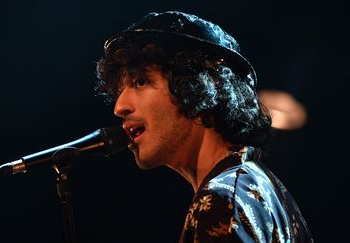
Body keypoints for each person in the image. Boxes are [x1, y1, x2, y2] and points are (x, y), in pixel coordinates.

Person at [95, 11, 313, 242]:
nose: (119, 107)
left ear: (196, 88)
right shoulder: (253, 184)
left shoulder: (223, 201)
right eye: (120, 91)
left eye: (140, 82)